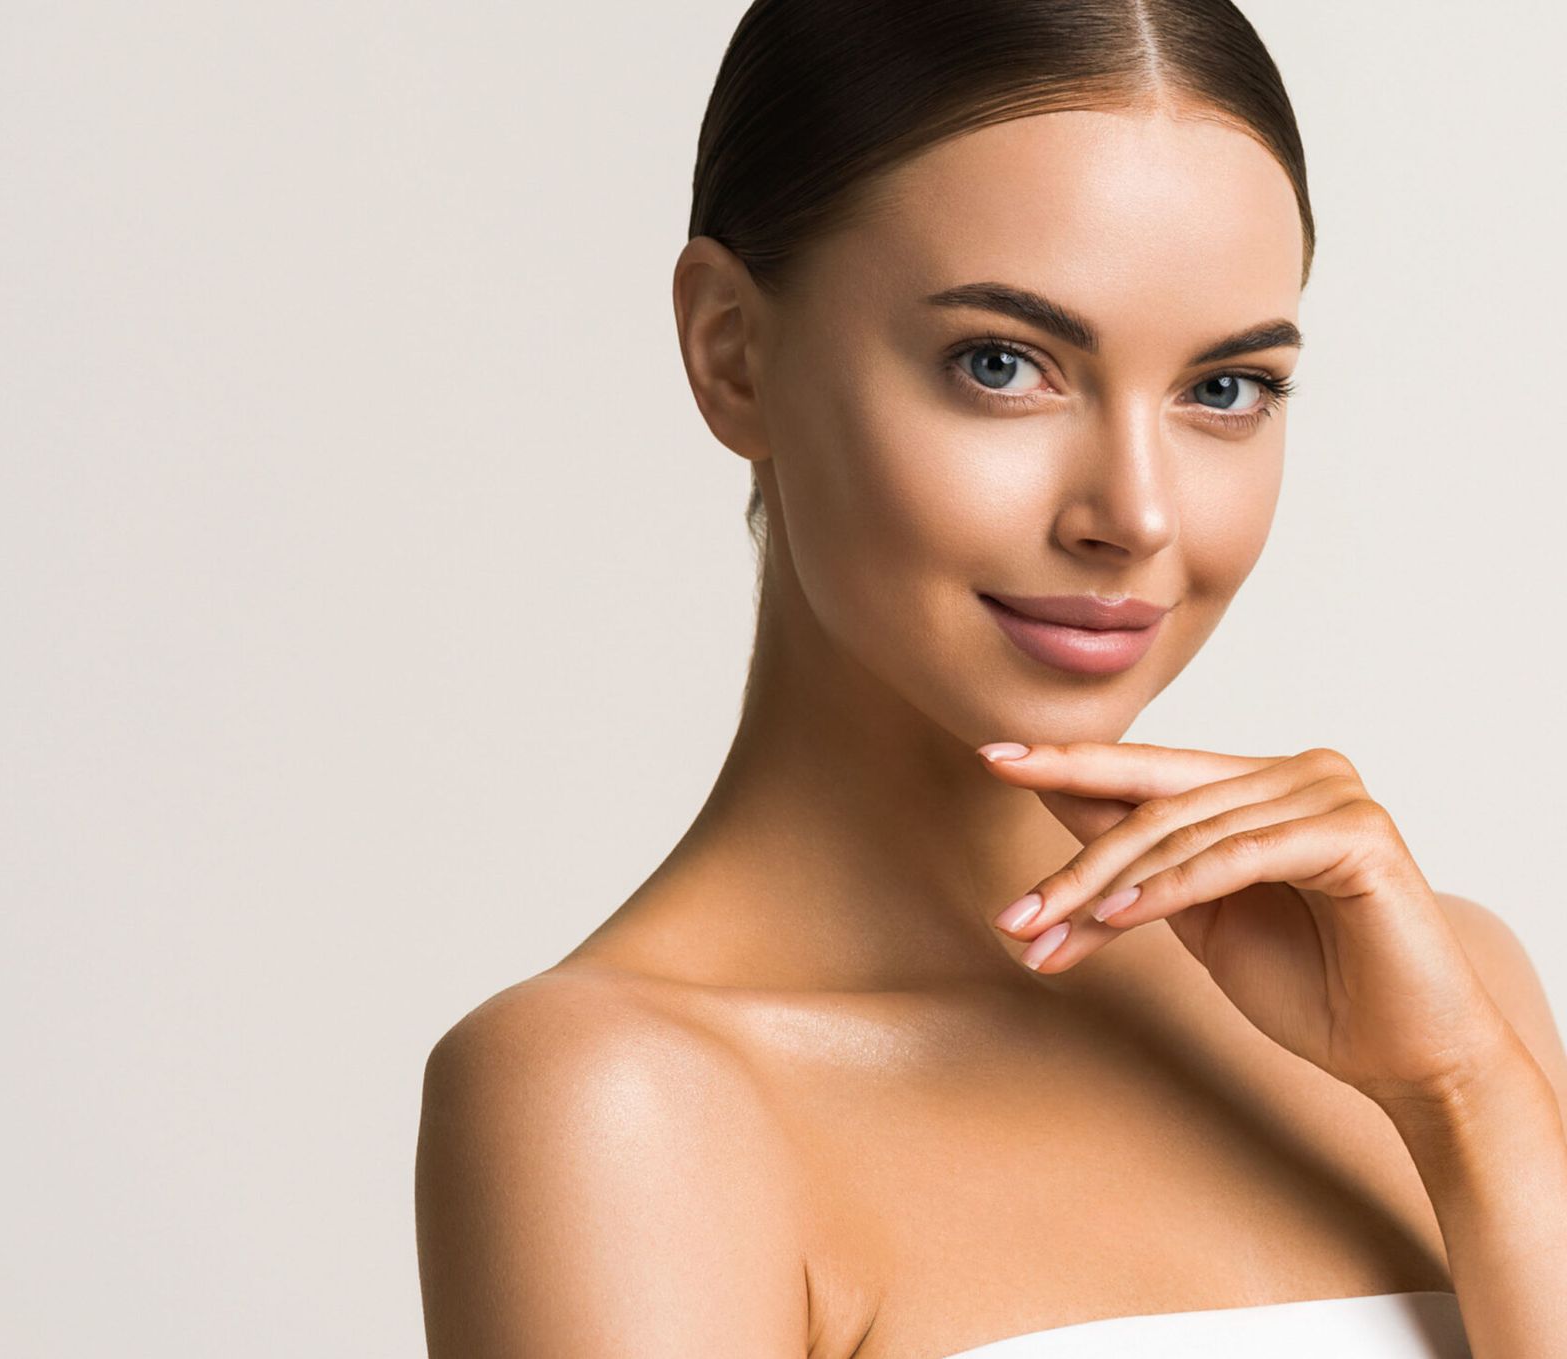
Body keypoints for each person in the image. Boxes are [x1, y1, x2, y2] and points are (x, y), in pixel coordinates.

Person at [413, 2, 1567, 1356]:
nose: (1136, 516)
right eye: (1003, 365)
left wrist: (1467, 1099)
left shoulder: (1440, 997)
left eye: (1226, 388)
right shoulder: (618, 1103)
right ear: (733, 351)